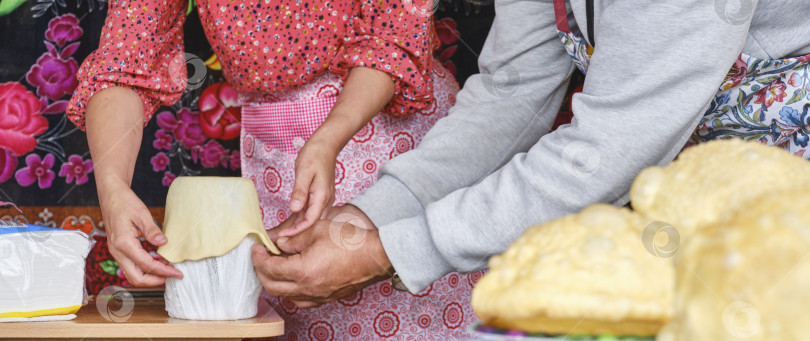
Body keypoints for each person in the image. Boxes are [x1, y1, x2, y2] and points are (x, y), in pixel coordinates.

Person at [254, 0, 810, 313]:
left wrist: (392, 252)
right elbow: (512, 91)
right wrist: (374, 216)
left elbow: (606, 154)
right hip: (686, 173)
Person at [66, 0, 481, 338]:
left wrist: (328, 138)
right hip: (276, 173)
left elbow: (392, 36)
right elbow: (125, 60)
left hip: (401, 150)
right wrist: (112, 185)